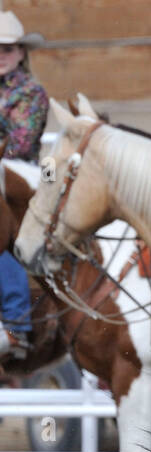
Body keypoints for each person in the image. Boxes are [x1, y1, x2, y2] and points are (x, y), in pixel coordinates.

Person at [0, 10, 48, 359]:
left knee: (7, 237)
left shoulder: (31, 92)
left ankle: (16, 323)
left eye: (8, 48)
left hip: (20, 187)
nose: (1, 54)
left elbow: (19, 142)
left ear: (20, 52)